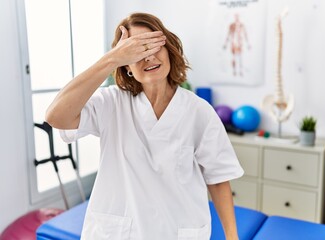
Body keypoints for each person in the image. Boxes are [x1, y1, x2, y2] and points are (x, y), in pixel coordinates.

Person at [46, 12, 244, 240]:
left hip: (177, 231)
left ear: (169, 49)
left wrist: (232, 236)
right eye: (136, 50)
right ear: (126, 65)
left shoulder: (199, 111)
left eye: (152, 45)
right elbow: (56, 116)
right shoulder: (111, 103)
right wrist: (110, 59)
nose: (148, 56)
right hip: (119, 233)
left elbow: (218, 178)